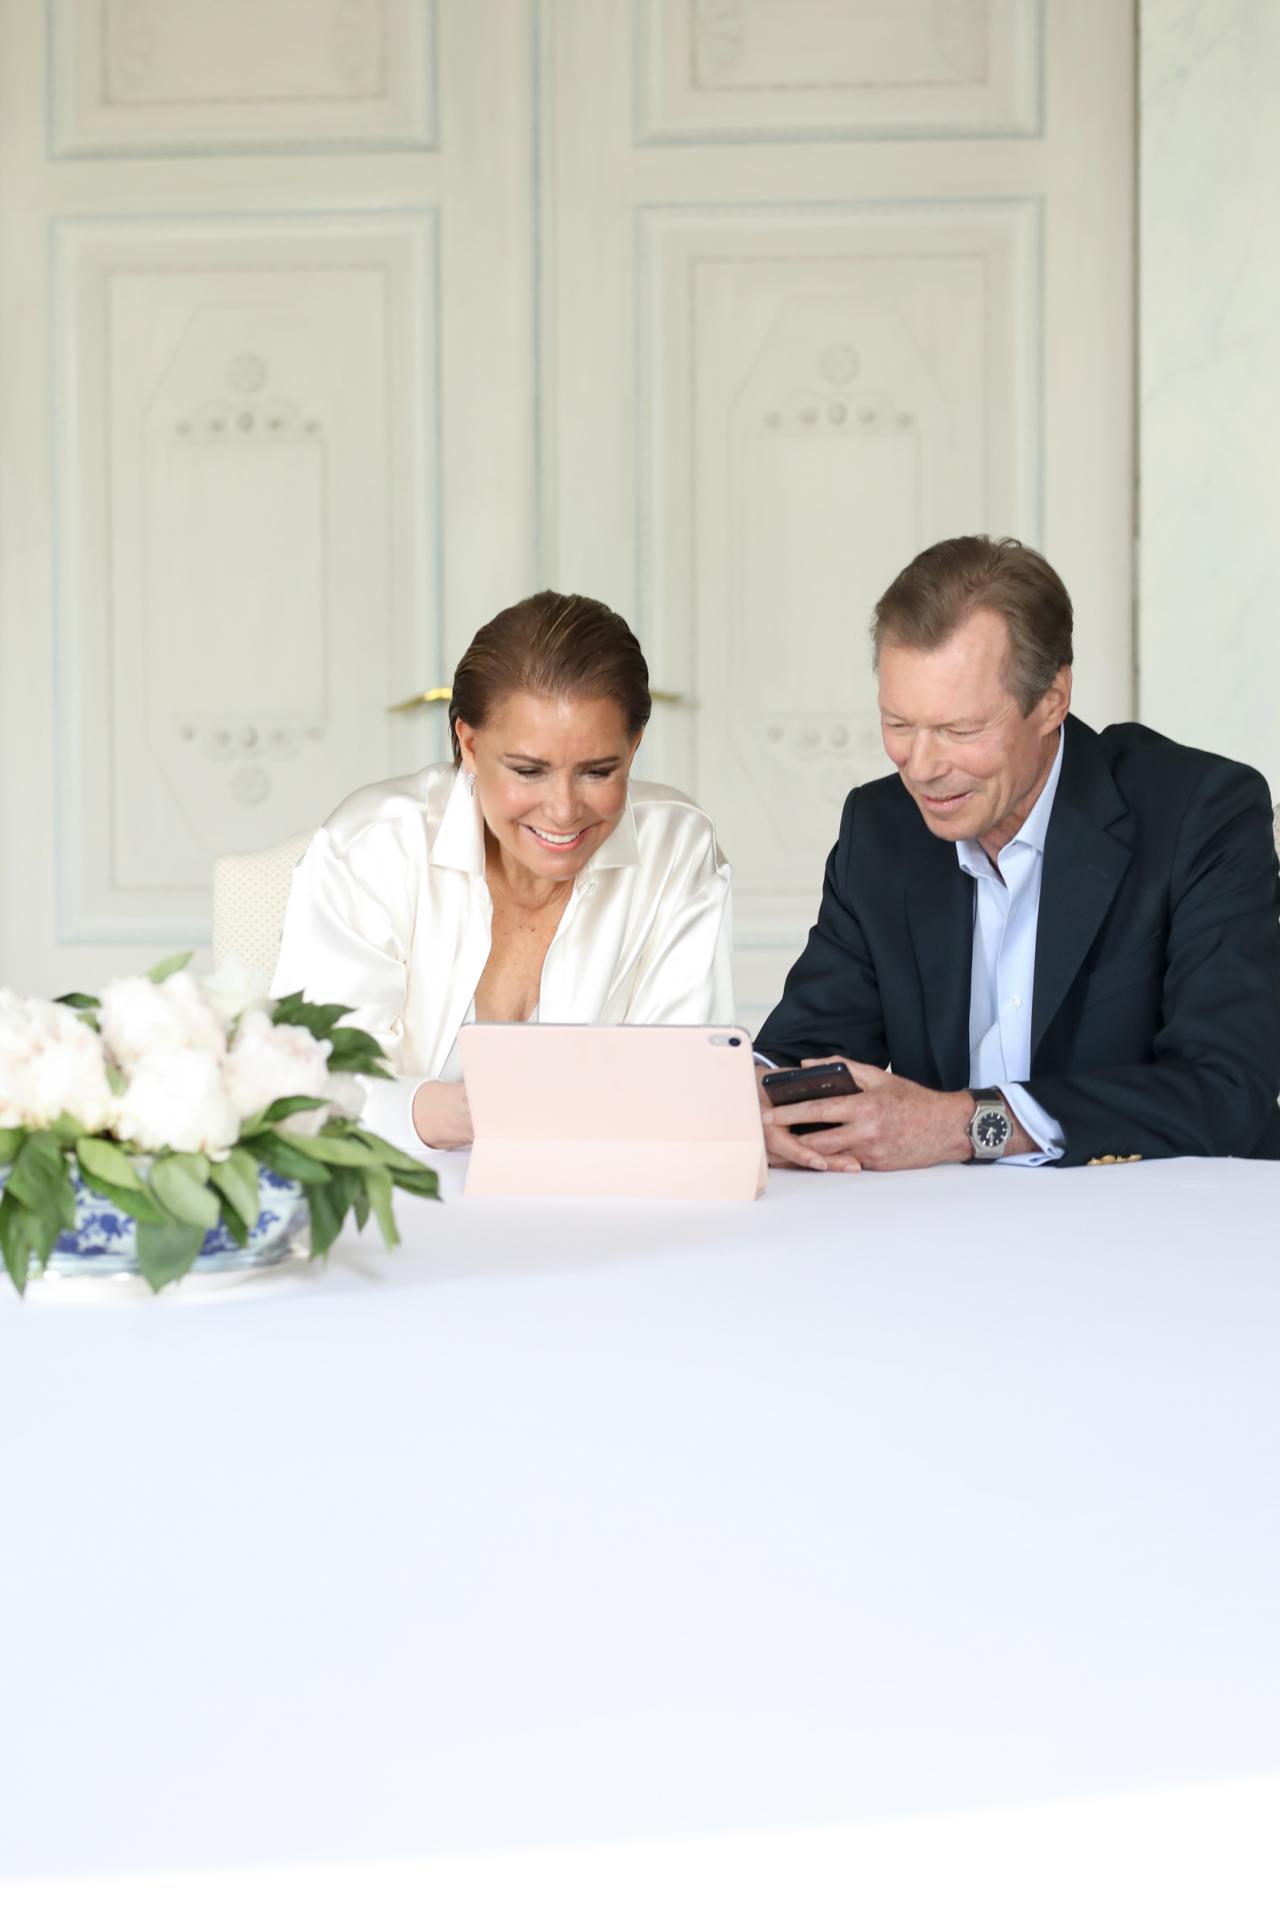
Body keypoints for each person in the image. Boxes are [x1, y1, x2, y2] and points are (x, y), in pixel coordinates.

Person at [755, 535, 1280, 1172]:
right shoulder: (880, 829)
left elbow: (1226, 1090)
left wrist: (968, 1124)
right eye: (899, 724)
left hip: (1152, 1235)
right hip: (938, 1238)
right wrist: (756, 1099)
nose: (920, 767)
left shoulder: (1200, 812)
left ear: (1052, 701)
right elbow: (804, 1052)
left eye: (960, 730)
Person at [273, 591, 733, 1148]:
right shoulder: (371, 847)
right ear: (469, 744)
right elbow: (305, 1089)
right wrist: (433, 1115)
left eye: (598, 771)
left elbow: (681, 1083)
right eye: (528, 770)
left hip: (604, 1205)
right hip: (398, 1204)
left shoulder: (677, 847)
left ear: (633, 747)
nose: (563, 810)